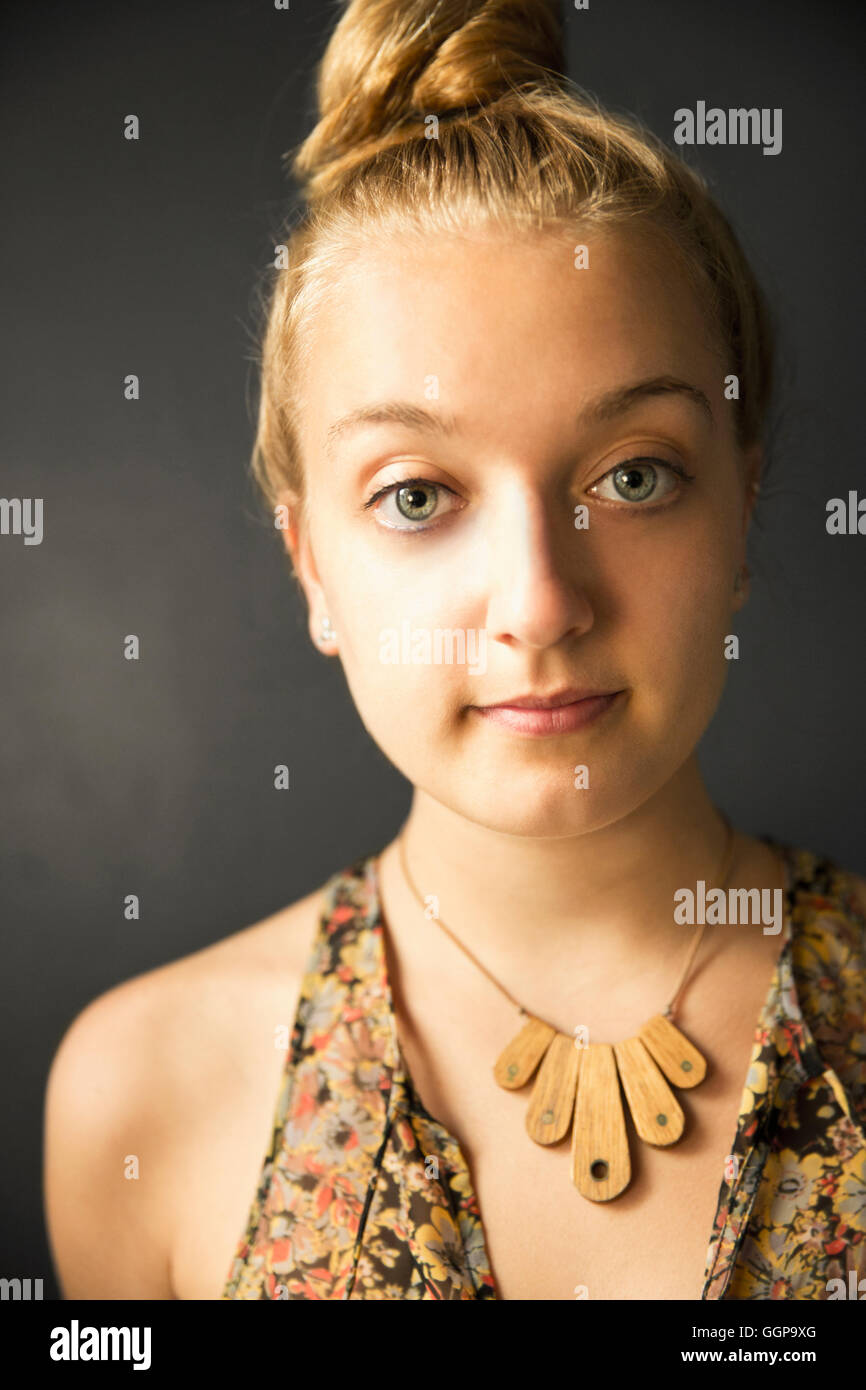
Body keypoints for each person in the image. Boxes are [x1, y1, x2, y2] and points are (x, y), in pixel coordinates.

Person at [44, 0, 866, 1301]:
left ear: (742, 511)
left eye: (636, 475)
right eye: (418, 495)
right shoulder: (139, 1093)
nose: (538, 603)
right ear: (311, 560)